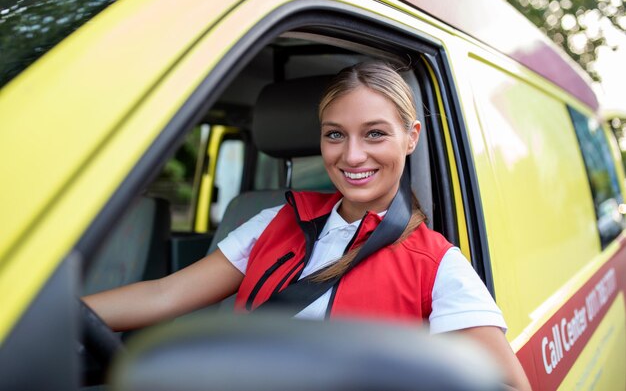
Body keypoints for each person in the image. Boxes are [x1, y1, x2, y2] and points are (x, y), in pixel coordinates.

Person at [84, 61, 531, 391]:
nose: (352, 156)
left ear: (411, 137)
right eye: (335, 134)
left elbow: (510, 386)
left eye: (375, 134)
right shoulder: (276, 221)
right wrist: (43, 315)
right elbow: (164, 294)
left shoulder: (436, 265)